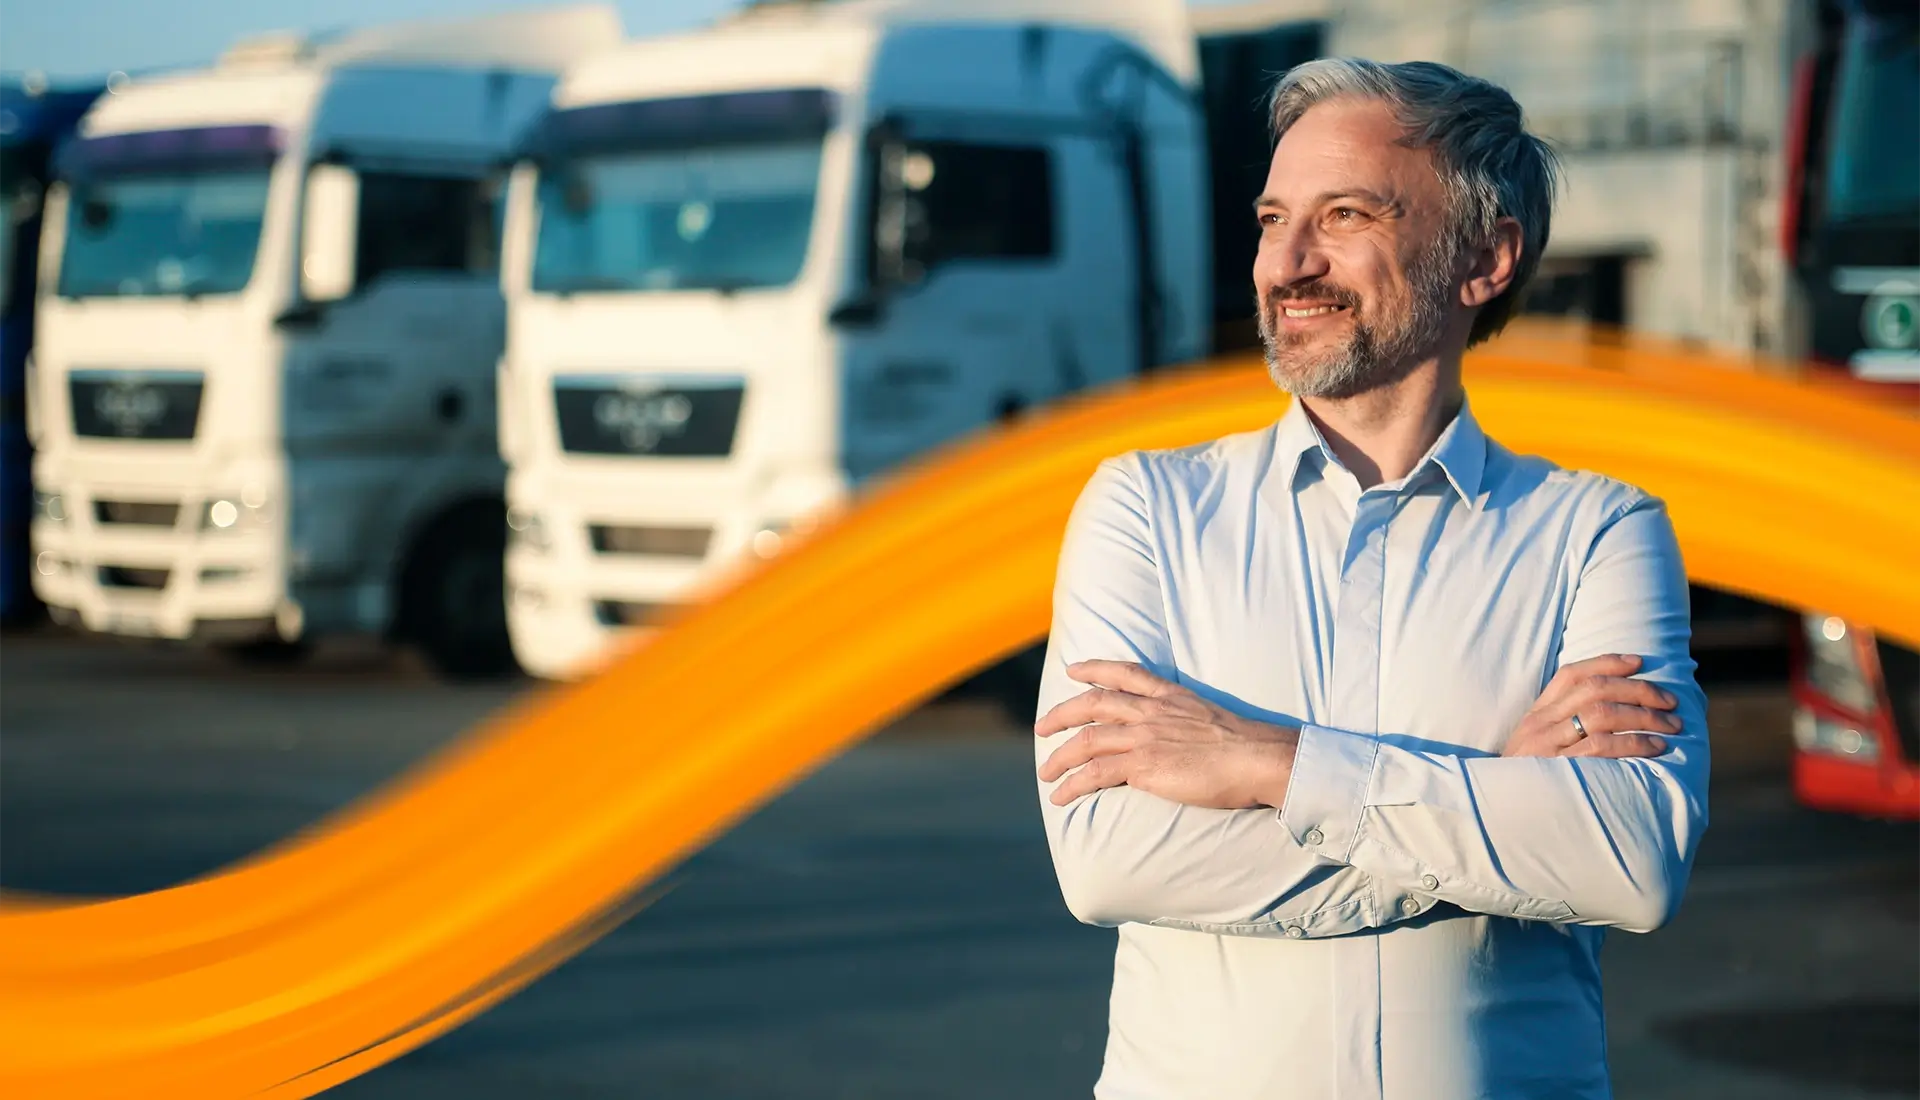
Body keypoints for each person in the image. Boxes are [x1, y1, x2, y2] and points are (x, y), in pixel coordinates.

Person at [1032, 58, 1710, 1100]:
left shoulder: (1598, 529)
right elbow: (1108, 859)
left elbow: (1626, 860)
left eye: (1343, 214)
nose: (1285, 262)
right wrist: (1497, 804)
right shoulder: (1146, 509)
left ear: (1485, 256)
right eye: (1271, 218)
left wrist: (1273, 763)